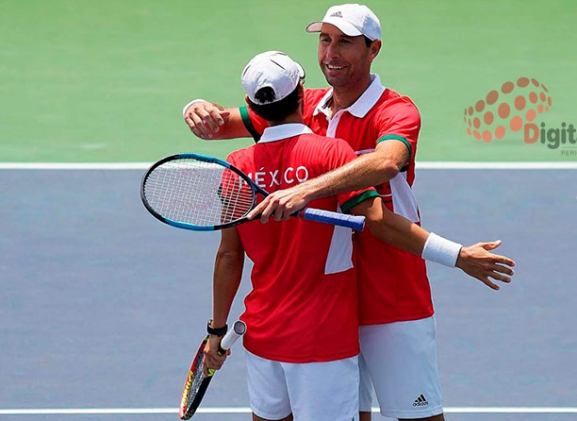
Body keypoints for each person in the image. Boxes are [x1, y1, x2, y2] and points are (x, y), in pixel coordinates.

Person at [187, 5, 516, 420]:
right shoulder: (305, 104)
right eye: (325, 40)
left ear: (373, 49)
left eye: (345, 42)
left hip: (390, 293)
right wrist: (196, 107)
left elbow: (386, 163)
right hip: (329, 305)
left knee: (419, 415)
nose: (331, 53)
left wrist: (307, 188)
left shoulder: (396, 111)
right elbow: (224, 121)